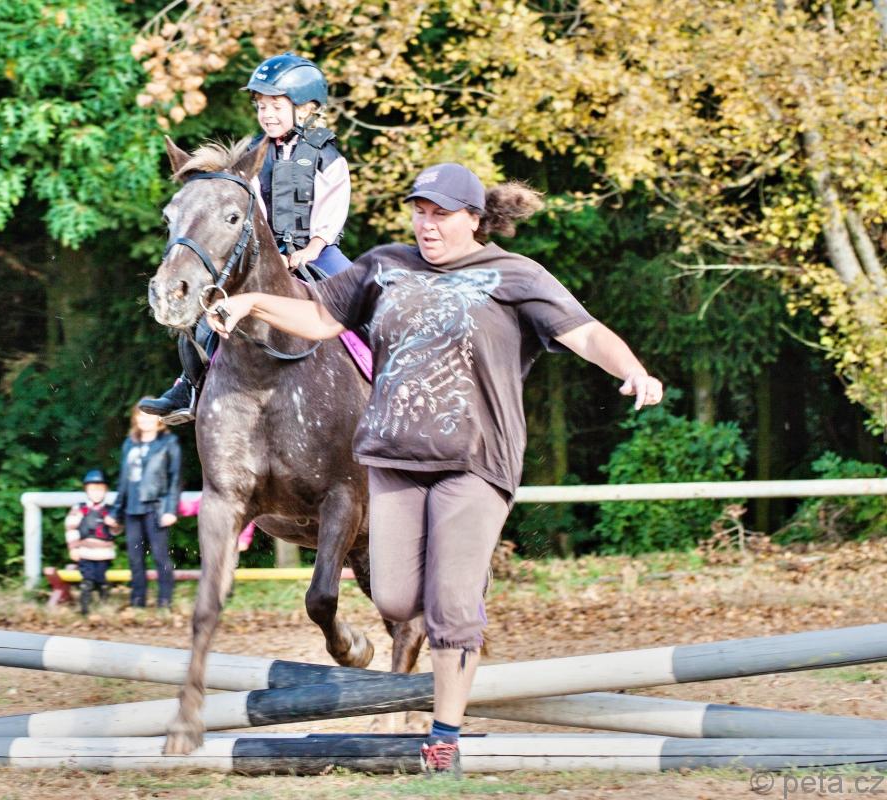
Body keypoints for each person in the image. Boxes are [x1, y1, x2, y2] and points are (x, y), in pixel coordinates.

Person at [204, 163, 664, 776]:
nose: (427, 224)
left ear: (473, 218)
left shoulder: (514, 274)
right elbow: (319, 320)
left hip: (474, 462)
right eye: (420, 212)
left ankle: (444, 736)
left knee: (449, 609)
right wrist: (249, 301)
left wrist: (632, 369)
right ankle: (455, 603)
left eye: (440, 214)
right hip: (394, 459)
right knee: (397, 599)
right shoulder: (385, 265)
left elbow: (585, 333)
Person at [140, 52, 354, 425]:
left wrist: (311, 249)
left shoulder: (326, 155)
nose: (267, 114)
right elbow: (248, 211)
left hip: (318, 251)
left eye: (276, 106)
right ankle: (188, 385)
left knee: (367, 299)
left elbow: (333, 207)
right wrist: (270, 252)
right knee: (205, 313)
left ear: (305, 108)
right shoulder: (254, 155)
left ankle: (389, 379)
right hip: (266, 252)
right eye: (261, 106)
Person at [106, 403, 182, 608]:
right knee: (134, 558)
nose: (145, 420)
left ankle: (164, 601)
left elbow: (175, 479)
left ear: (159, 419)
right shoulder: (129, 444)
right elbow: (123, 481)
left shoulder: (169, 443)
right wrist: (116, 511)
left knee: (160, 556)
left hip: (156, 508)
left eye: (150, 415)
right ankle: (137, 601)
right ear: (135, 419)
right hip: (132, 508)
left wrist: (170, 510)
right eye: (141, 416)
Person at [64, 469, 118, 615]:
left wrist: (114, 524)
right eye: (93, 489)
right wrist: (73, 548)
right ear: (86, 490)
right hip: (85, 552)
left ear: (106, 490)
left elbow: (115, 532)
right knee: (87, 580)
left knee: (101, 579)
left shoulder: (109, 510)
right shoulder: (80, 509)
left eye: (100, 489)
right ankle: (85, 609)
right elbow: (71, 528)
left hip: (104, 553)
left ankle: (103, 605)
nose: (96, 493)